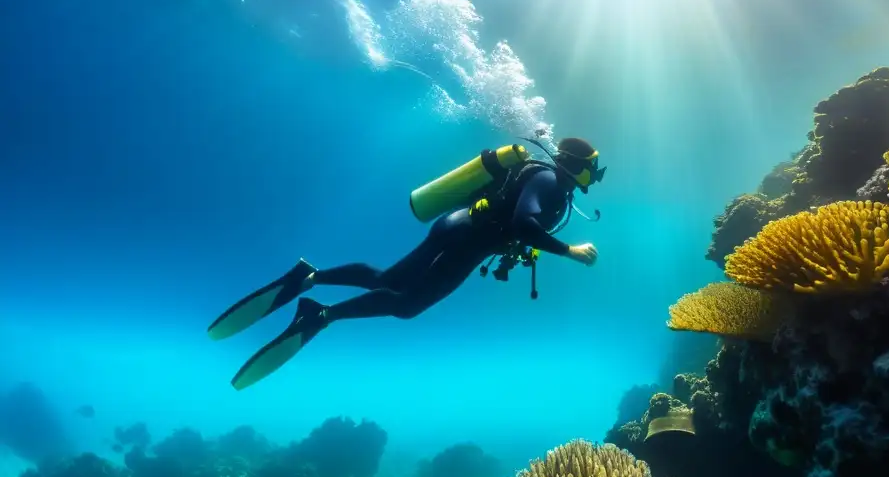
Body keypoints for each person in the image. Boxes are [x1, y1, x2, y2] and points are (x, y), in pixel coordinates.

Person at [208, 136, 605, 390]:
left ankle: (308, 278)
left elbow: (519, 226)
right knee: (406, 304)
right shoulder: (551, 182)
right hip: (467, 241)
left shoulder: (544, 178)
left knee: (389, 279)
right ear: (576, 162)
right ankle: (319, 315)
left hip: (455, 227)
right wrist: (569, 251)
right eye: (593, 164)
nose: (596, 173)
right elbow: (522, 223)